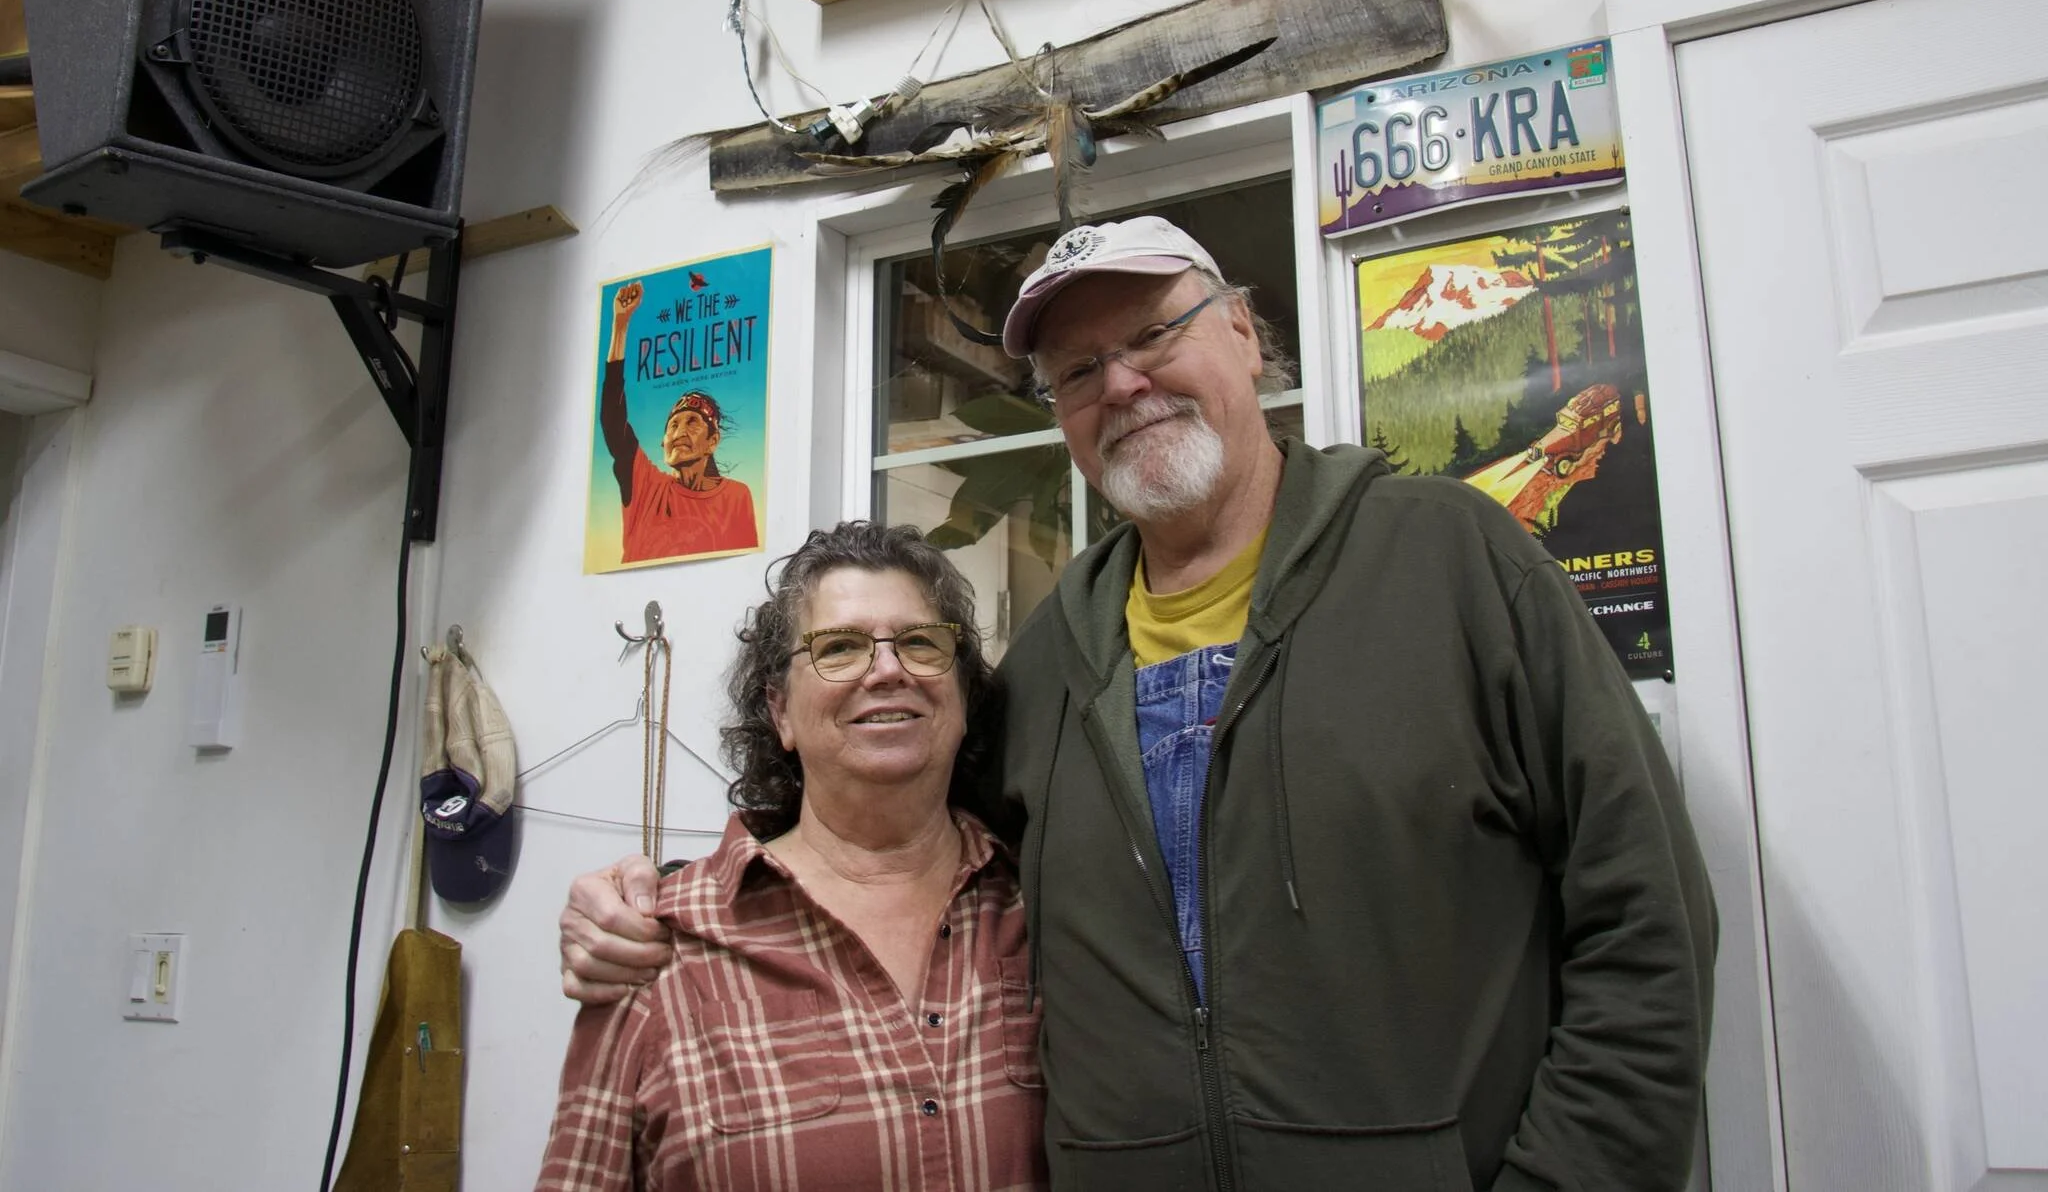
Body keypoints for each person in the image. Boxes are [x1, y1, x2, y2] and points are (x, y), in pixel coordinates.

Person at [561, 217, 1717, 1191]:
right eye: (1074, 371)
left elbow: (1643, 917)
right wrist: (659, 902)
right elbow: (891, 835)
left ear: (1245, 334)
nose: (1120, 383)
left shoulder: (1448, 561)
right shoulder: (1051, 660)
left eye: (1153, 331)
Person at [536, 521, 1047, 1191]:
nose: (888, 669)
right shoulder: (658, 949)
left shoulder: (1039, 903)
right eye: (839, 647)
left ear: (962, 696)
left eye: (921, 643)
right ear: (780, 711)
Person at [600, 279, 758, 563]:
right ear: (663, 443)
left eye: (692, 422)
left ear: (713, 441)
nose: (679, 431)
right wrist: (621, 326)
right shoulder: (645, 486)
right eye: (672, 425)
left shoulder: (736, 498)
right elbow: (613, 419)